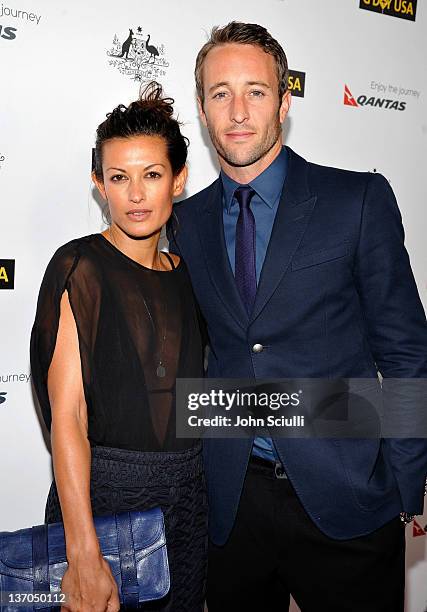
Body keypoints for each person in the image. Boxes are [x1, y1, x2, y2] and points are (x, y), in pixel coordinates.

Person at [167, 21, 427, 612]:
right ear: (202, 111)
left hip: (350, 500)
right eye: (219, 93)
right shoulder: (186, 223)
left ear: (284, 102)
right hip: (231, 507)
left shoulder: (356, 200)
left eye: (256, 91)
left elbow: (406, 350)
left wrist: (406, 481)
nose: (237, 111)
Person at [30, 83, 207, 612]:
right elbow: (68, 417)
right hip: (103, 503)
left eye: (152, 175)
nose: (135, 194)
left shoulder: (190, 275)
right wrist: (82, 549)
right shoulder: (78, 267)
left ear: (178, 179)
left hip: (188, 505)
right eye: (118, 177)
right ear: (98, 184)